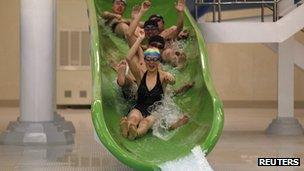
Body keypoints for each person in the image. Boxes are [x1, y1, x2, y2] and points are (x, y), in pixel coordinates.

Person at [120, 31, 189, 140]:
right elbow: (128, 58)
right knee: (133, 117)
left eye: (154, 60)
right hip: (139, 107)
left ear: (158, 61)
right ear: (145, 60)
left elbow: (173, 81)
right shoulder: (140, 75)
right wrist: (139, 39)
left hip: (155, 111)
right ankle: (127, 128)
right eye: (149, 59)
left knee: (145, 122)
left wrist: (171, 78)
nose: (151, 62)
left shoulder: (163, 76)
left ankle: (135, 133)